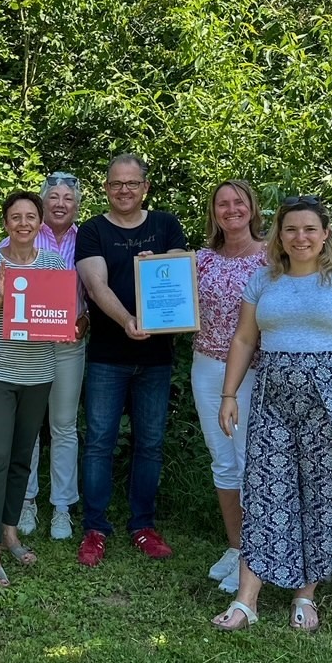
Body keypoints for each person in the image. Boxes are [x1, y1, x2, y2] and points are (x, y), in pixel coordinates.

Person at [210, 196, 332, 632]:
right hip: (271, 398)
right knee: (264, 488)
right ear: (279, 236)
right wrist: (229, 394)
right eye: (290, 229)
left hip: (331, 400)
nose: (300, 237)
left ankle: (306, 595)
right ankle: (246, 600)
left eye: (309, 229)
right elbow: (244, 339)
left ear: (325, 234)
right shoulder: (264, 280)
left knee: (323, 493)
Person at [76, 154, 188, 566]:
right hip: (107, 355)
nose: (123, 190)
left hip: (156, 356)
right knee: (99, 442)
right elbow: (95, 285)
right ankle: (95, 528)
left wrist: (158, 268)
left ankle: (143, 525)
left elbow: (177, 279)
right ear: (106, 188)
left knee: (151, 443)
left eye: (131, 183)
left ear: (145, 187)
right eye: (115, 183)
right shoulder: (93, 230)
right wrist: (127, 320)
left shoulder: (166, 224)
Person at [0, 191, 67, 585]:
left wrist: (69, 324)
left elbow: (62, 316)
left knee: (22, 457)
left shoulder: (53, 263)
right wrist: (2, 297)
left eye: (30, 217)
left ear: (40, 223)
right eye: (16, 217)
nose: (23, 223)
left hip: (37, 374)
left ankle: (9, 533)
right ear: (6, 223)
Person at [190, 180, 266, 595]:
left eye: (239, 202)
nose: (231, 209)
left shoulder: (273, 256)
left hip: (254, 371)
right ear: (214, 212)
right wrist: (151, 270)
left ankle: (255, 555)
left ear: (252, 208)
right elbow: (169, 296)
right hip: (206, 366)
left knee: (249, 459)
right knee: (222, 459)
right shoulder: (200, 260)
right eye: (223, 203)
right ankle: (236, 546)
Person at [14, 171, 89, 541]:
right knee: (29, 425)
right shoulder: (23, 232)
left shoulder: (87, 239)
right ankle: (26, 500)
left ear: (77, 206)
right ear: (42, 203)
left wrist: (87, 318)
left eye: (68, 198)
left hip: (69, 345)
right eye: (54, 197)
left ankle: (62, 507)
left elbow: (97, 287)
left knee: (63, 426)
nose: (60, 204)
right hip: (29, 346)